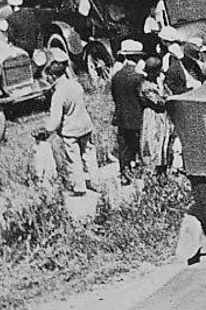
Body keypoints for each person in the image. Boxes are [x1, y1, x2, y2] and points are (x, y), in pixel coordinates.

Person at [42, 52, 98, 196]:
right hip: (85, 126)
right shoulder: (76, 85)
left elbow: (55, 121)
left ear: (52, 75)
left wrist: (46, 129)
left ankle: (79, 187)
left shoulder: (58, 94)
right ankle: (96, 182)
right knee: (89, 155)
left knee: (74, 159)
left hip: (70, 131)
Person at [111, 40, 145, 185]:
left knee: (124, 147)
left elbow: (114, 96)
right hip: (136, 117)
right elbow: (143, 98)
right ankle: (138, 173)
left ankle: (124, 174)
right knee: (138, 145)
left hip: (121, 116)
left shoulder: (117, 76)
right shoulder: (138, 77)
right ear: (136, 57)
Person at [139, 57, 172, 175]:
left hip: (162, 117)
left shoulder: (159, 83)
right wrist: (162, 91)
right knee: (152, 142)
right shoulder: (146, 85)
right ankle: (152, 170)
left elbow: (170, 95)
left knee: (163, 141)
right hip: (152, 116)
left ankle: (162, 169)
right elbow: (159, 102)